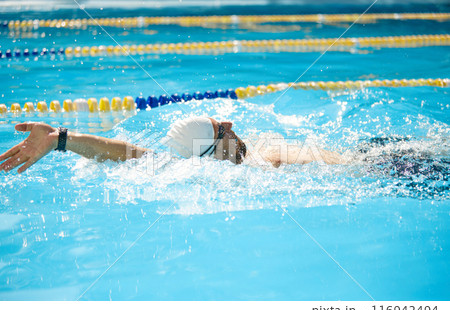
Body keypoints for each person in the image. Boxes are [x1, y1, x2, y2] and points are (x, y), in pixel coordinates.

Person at [0, 117, 344, 174]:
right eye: (221, 129)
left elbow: (126, 153)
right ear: (213, 150)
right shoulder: (268, 165)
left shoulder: (182, 164)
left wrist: (61, 139)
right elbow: (123, 152)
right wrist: (59, 141)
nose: (230, 126)